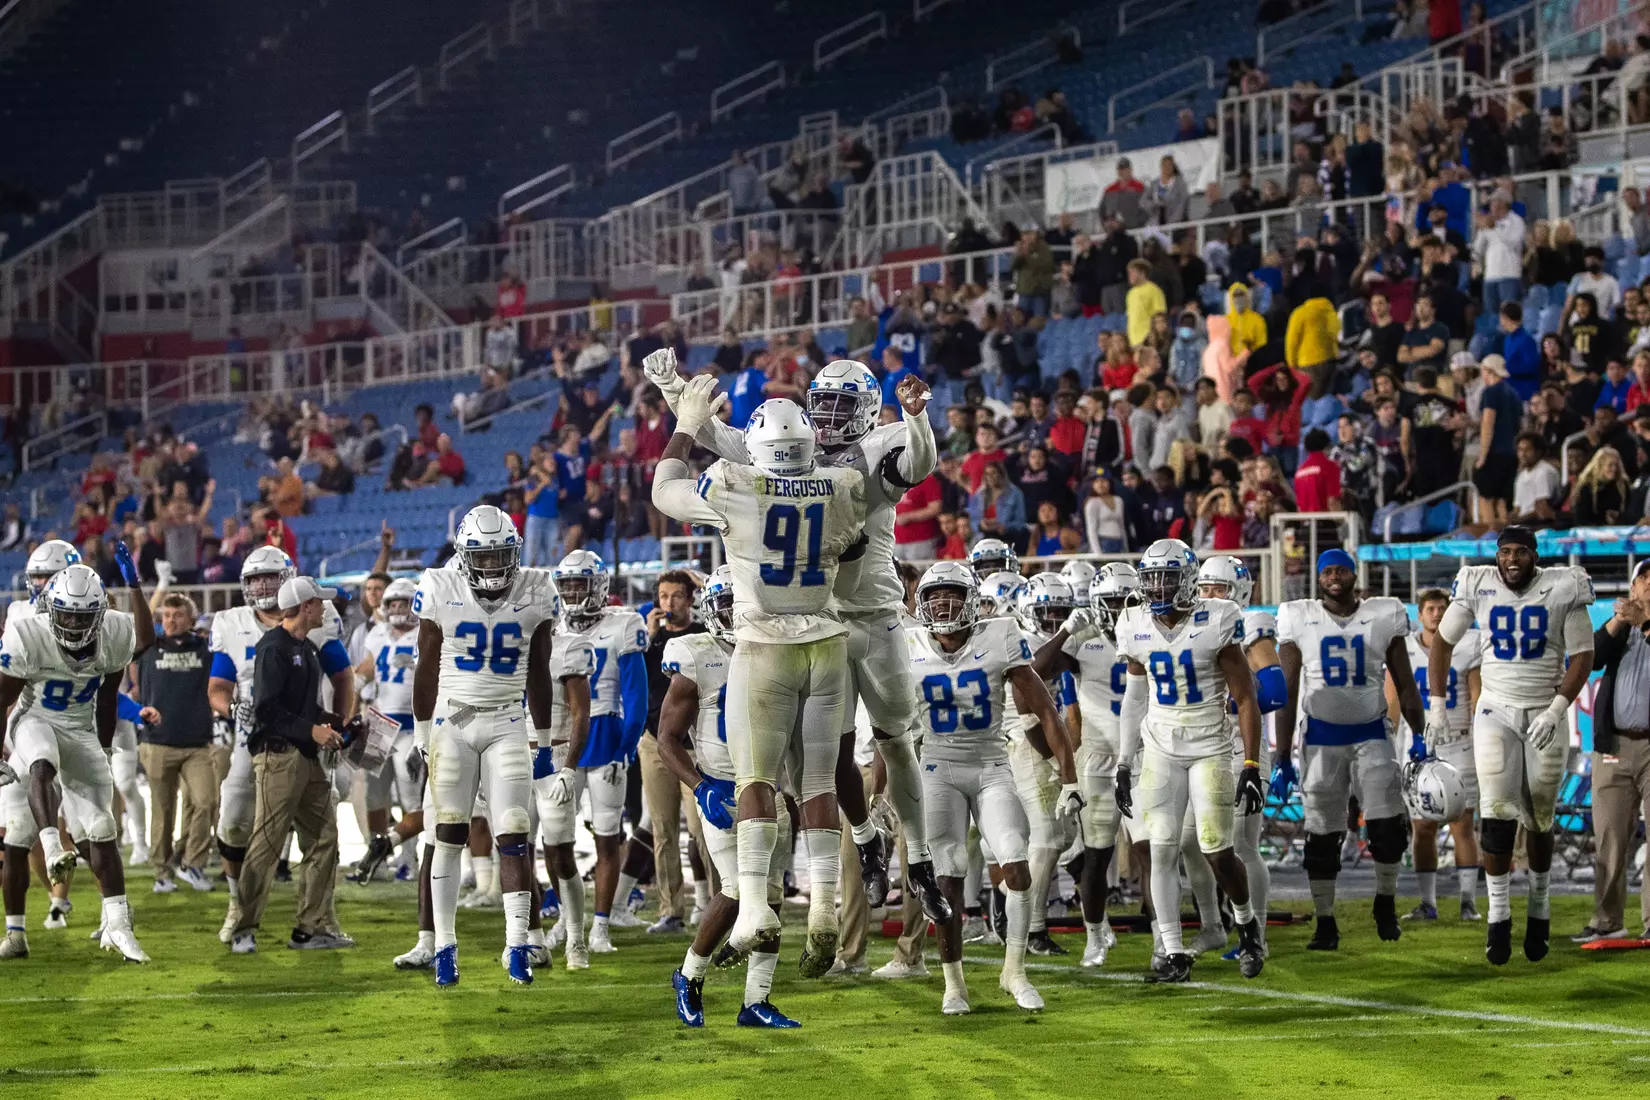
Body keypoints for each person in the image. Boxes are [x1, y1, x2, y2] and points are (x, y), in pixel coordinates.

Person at [643, 352, 948, 927]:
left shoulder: (873, 447)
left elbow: (918, 462)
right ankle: (865, 836)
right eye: (822, 402)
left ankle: (923, 861)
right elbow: (717, 430)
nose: (830, 415)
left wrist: (915, 420)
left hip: (873, 609)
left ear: (867, 410)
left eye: (842, 404)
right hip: (822, 618)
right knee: (829, 755)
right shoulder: (800, 456)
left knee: (894, 738)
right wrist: (671, 385)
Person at [649, 378, 869, 983]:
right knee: (819, 781)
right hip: (826, 642)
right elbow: (854, 546)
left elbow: (664, 489)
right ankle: (823, 907)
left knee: (756, 779)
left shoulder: (734, 483)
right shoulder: (844, 485)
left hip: (765, 642)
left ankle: (753, 908)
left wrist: (688, 422)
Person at [906, 562, 1078, 1014]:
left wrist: (1071, 777)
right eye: (935, 595)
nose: (943, 604)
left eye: (952, 595)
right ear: (922, 604)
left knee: (1017, 865)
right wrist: (883, 793)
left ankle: (1014, 971)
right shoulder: (905, 644)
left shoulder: (999, 635)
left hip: (991, 763)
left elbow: (1045, 709)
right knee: (948, 875)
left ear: (971, 601)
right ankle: (954, 984)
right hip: (936, 766)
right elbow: (892, 729)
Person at [1425, 525, 1596, 965]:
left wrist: (1558, 708)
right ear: (1497, 555)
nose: (1512, 559)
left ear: (1535, 556)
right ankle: (1498, 918)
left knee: (1540, 816)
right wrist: (1438, 704)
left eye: (1521, 552)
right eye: (1506, 552)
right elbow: (1442, 642)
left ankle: (1539, 908)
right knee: (1496, 812)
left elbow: (1583, 655)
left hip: (1545, 710)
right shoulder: (1476, 583)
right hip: (1495, 709)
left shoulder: (1563, 586)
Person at [411, 505, 561, 986]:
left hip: (507, 721)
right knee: (448, 835)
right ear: (464, 555)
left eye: (502, 556)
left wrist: (544, 741)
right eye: (485, 556)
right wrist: (419, 731)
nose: (494, 567)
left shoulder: (538, 588)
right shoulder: (440, 585)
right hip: (453, 720)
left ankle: (517, 944)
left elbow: (539, 671)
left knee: (515, 833)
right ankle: (445, 947)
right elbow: (427, 664)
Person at [1114, 539, 1266, 982]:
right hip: (1160, 747)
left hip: (1210, 747)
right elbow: (1135, 697)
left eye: (1167, 576)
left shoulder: (1216, 619)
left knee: (1217, 848)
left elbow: (1245, 697)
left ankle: (1247, 925)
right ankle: (1173, 951)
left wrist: (1252, 764)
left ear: (1188, 580)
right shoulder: (1134, 622)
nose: (1158, 586)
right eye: (1152, 577)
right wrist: (1125, 761)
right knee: (1160, 849)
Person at [0, 550, 154, 962]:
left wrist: (102, 747)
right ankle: (23, 915)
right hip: (30, 724)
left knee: (102, 826)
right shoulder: (25, 626)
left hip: (80, 728)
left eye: (83, 616)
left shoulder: (115, 630)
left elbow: (107, 697)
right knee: (18, 828)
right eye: (39, 575)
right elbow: (3, 699)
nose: (73, 624)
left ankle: (118, 923)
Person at [661, 568, 798, 1028]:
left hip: (769, 784)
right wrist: (700, 785)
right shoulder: (696, 655)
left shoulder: (775, 649)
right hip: (722, 788)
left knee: (772, 897)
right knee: (738, 891)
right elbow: (667, 740)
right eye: (725, 606)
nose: (734, 615)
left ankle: (756, 1001)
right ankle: (689, 974)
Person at [1277, 549, 1423, 951]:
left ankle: (1386, 903)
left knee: (1387, 828)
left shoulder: (1383, 614)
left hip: (1372, 733)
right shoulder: (1298, 616)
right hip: (1321, 738)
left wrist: (1421, 733)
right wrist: (1280, 753)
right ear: (1318, 578)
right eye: (1327, 571)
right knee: (1322, 836)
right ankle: (1325, 921)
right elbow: (1287, 691)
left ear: (1354, 575)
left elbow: (1405, 683)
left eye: (1341, 570)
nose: (1334, 577)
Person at [207, 546, 352, 944]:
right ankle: (241, 923)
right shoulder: (271, 647)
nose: (262, 587)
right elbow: (265, 709)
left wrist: (338, 723)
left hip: (306, 752)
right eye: (255, 579)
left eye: (270, 578)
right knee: (260, 838)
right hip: (274, 751)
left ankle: (314, 924)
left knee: (325, 837)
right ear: (304, 606)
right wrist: (311, 730)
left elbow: (328, 690)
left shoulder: (306, 645)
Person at [1028, 564, 1139, 966]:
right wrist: (1066, 632)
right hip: (1098, 758)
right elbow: (1034, 671)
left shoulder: (1149, 629)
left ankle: (1169, 940)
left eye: (1125, 600)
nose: (1118, 608)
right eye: (1110, 601)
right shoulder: (1086, 639)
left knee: (1155, 847)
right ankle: (1095, 933)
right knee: (1097, 855)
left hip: (1145, 752)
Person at [547, 551, 647, 953]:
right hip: (559, 739)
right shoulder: (550, 627)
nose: (572, 592)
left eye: (580, 583)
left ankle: (601, 925)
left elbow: (636, 695)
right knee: (555, 840)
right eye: (567, 584)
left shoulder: (623, 625)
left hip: (605, 734)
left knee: (607, 837)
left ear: (599, 586)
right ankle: (565, 920)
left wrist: (626, 746)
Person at [1390, 588, 1483, 923]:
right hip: (1418, 747)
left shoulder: (1468, 645)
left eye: (1443, 608)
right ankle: (1427, 903)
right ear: (1420, 613)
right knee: (1423, 828)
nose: (1438, 614)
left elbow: (1477, 698)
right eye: (1431, 608)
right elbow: (1393, 701)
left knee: (1463, 824)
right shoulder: (1404, 648)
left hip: (1458, 742)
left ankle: (1468, 901)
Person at [1576, 562, 1650, 942]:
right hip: (1615, 743)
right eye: (1645, 577)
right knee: (1609, 837)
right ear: (1633, 585)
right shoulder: (1620, 625)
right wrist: (1622, 621)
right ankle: (1608, 921)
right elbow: (1593, 658)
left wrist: (1646, 624)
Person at [637, 570, 706, 936]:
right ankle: (671, 909)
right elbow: (634, 679)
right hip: (653, 741)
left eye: (677, 596)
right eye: (663, 597)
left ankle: (711, 901)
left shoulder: (703, 636)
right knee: (663, 830)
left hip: (695, 745)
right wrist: (648, 638)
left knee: (701, 828)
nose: (669, 604)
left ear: (690, 600)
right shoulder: (650, 641)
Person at [133, 592, 217, 893]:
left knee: (207, 801)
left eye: (178, 615)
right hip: (158, 742)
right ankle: (163, 872)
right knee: (162, 812)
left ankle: (192, 862)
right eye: (166, 615)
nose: (170, 620)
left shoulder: (207, 649)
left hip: (197, 743)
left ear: (190, 619)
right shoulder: (148, 647)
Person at [349, 579, 425, 885]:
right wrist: (351, 711)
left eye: (402, 603)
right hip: (378, 725)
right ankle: (377, 859)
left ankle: (409, 858)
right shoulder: (378, 634)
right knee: (373, 796)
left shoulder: (427, 634)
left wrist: (418, 666)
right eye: (392, 604)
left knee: (411, 797)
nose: (396, 609)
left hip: (412, 725)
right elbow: (365, 671)